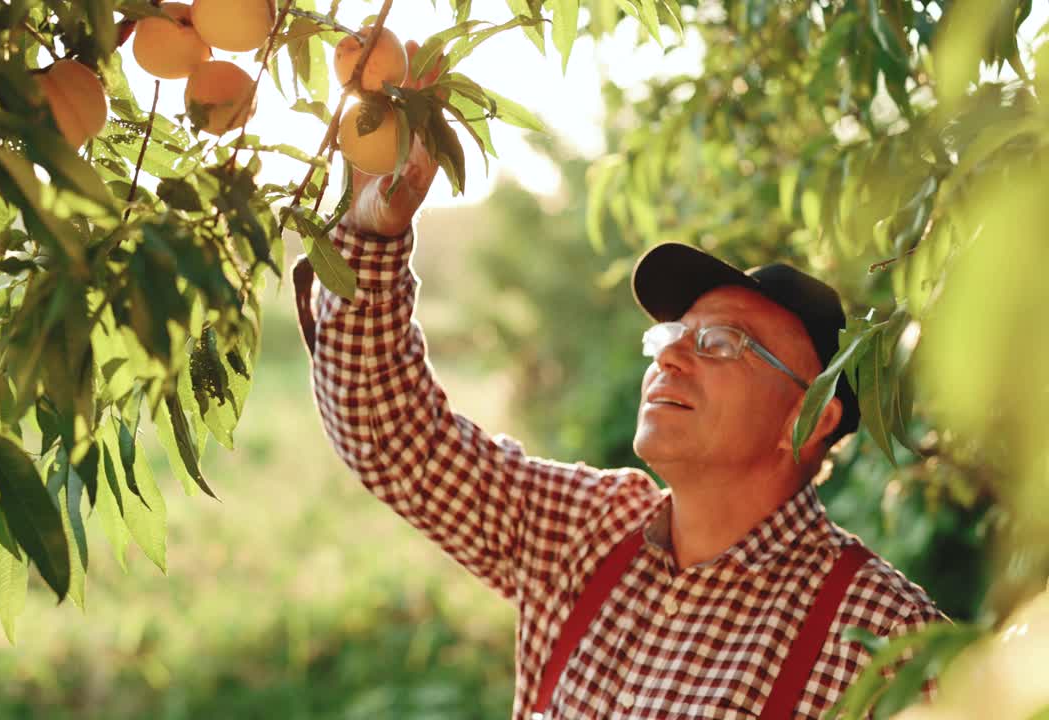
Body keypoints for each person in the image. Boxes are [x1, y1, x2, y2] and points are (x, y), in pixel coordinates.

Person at [292, 44, 944, 720]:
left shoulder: (883, 643)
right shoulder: (585, 532)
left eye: (721, 344)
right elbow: (395, 441)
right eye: (669, 337)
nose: (671, 358)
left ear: (810, 418)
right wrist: (370, 239)